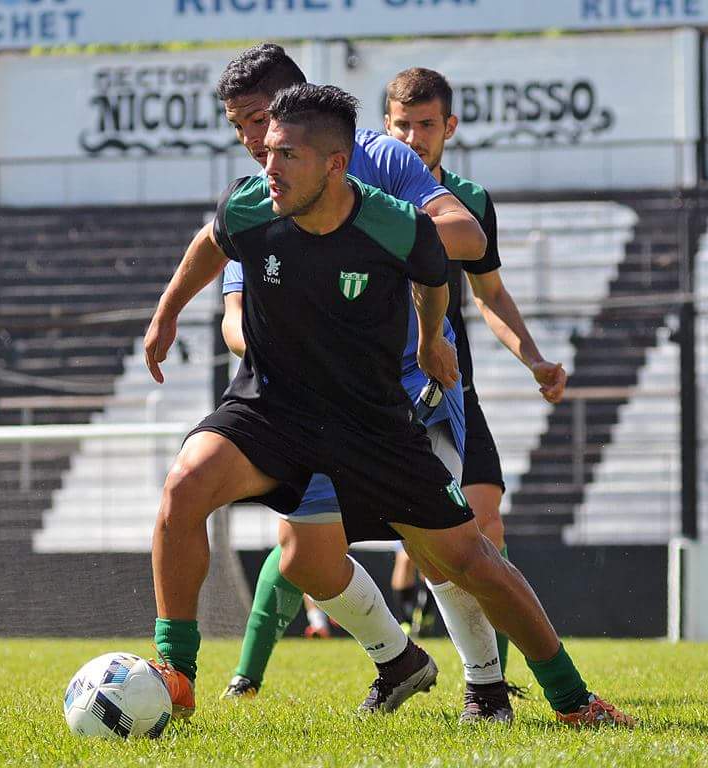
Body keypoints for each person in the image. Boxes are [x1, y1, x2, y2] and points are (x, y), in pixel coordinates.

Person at [145, 82, 635, 729]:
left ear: (334, 164)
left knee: (468, 558)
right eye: (266, 151)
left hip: (370, 421)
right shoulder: (251, 207)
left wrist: (433, 341)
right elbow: (209, 244)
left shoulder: (392, 224)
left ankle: (573, 699)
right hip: (271, 407)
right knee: (184, 489)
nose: (268, 168)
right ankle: (176, 676)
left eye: (286, 155)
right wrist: (165, 317)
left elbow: (436, 276)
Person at [211, 44, 512, 722]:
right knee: (301, 553)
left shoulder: (380, 163)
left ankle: (494, 687)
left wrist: (389, 238)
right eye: (241, 130)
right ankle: (395, 659)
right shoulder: (262, 195)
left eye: (257, 123)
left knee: (448, 542)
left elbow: (463, 241)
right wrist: (268, 338)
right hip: (314, 399)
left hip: (400, 389)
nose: (253, 143)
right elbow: (233, 307)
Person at [383, 67, 571, 685]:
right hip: (376, 389)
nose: (413, 137)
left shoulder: (470, 204)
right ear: (385, 126)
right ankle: (250, 675)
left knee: (482, 523)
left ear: (449, 127)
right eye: (402, 124)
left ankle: (493, 678)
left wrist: (534, 357)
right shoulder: (360, 194)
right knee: (303, 543)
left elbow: (489, 294)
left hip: (446, 389)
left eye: (426, 125)